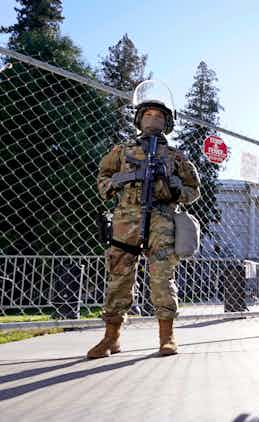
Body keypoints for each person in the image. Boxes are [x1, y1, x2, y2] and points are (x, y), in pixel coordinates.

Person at [87, 80, 201, 358]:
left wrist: (176, 188)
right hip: (126, 218)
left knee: (163, 276)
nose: (153, 119)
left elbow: (194, 190)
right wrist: (113, 184)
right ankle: (111, 338)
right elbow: (102, 176)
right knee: (118, 276)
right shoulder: (121, 151)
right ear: (139, 119)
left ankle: (167, 337)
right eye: (148, 114)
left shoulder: (176, 157)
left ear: (167, 122)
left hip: (162, 218)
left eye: (159, 115)